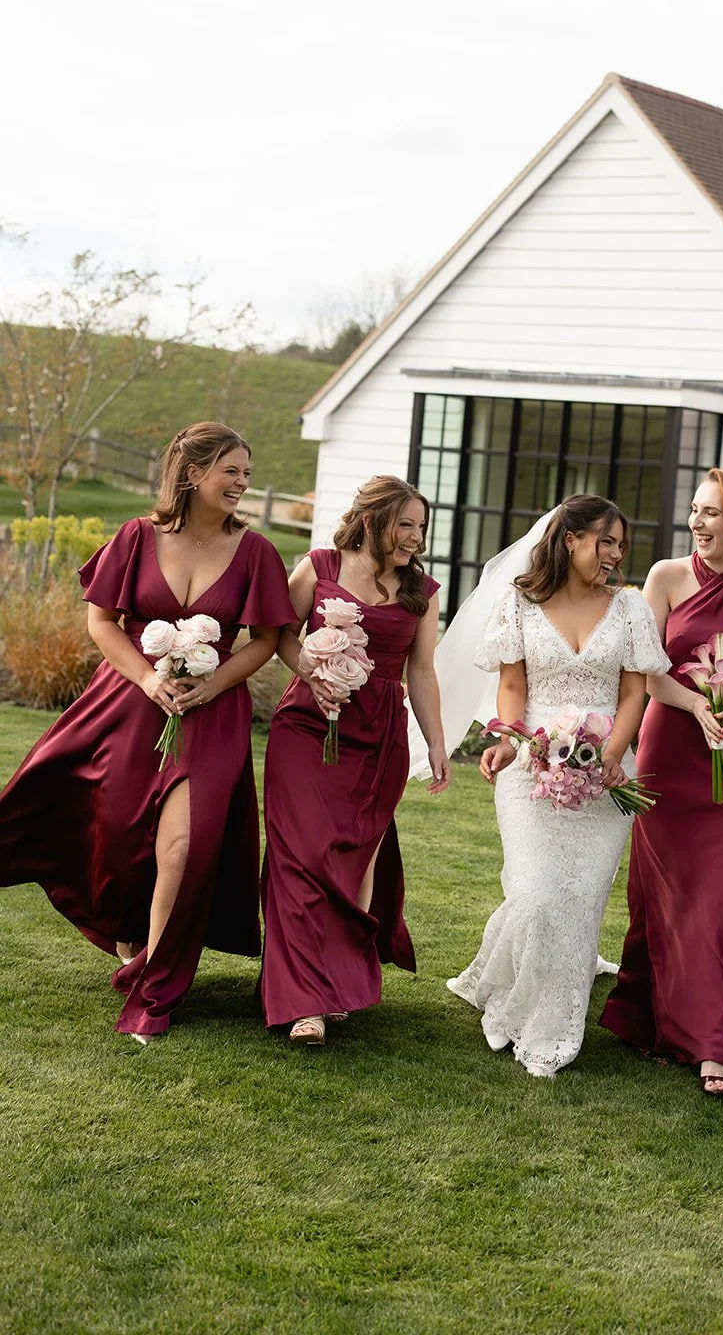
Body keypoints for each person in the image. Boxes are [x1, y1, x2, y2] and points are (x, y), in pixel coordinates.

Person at [0, 423, 295, 1042]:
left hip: (212, 716)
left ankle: (154, 985)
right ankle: (131, 938)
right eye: (231, 472)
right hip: (129, 705)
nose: (243, 483)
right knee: (119, 835)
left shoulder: (258, 552)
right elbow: (102, 621)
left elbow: (266, 640)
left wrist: (213, 686)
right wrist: (145, 677)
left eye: (247, 472)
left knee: (184, 847)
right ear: (192, 474)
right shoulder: (136, 536)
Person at [446, 494, 671, 1078]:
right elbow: (514, 686)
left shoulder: (629, 607)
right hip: (532, 767)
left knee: (579, 903)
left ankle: (553, 1031)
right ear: (570, 539)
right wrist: (512, 739)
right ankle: (513, 998)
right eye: (606, 541)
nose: (615, 554)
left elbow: (633, 693)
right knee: (537, 893)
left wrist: (612, 756)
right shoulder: (520, 602)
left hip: (606, 777)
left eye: (621, 544)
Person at [600, 468, 723, 1096]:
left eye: (712, 514)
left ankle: (713, 1045)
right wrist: (698, 705)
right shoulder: (665, 577)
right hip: (671, 749)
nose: (698, 524)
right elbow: (648, 672)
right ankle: (652, 1022)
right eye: (695, 510)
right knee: (664, 891)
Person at [259, 476, 450, 1047]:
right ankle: (303, 1003)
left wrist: (436, 742)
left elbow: (421, 670)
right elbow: (277, 635)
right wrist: (314, 673)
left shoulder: (422, 588)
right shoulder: (317, 567)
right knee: (300, 855)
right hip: (307, 726)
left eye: (421, 526)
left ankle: (333, 981)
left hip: (380, 736)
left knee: (353, 856)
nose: (415, 538)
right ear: (372, 520)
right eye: (405, 525)